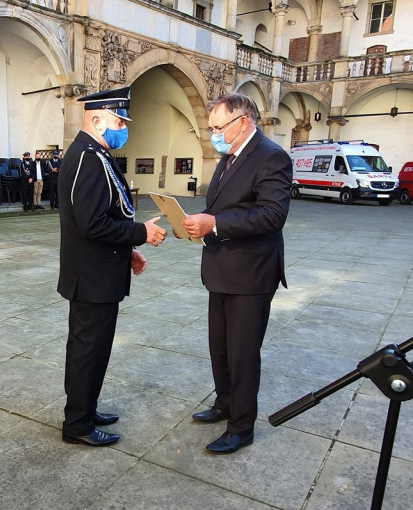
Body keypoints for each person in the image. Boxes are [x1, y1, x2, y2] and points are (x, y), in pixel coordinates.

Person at [181, 92, 292, 455]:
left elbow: (272, 214)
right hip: (221, 269)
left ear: (242, 121)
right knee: (221, 348)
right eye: (211, 127)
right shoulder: (229, 157)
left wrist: (216, 223)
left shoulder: (271, 157)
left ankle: (241, 426)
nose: (213, 133)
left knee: (243, 353)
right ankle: (224, 403)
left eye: (218, 127)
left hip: (251, 273)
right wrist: (203, 224)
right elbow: (225, 205)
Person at [57, 86, 167, 447]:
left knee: (95, 349)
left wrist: (127, 249)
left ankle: (85, 408)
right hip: (91, 278)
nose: (123, 127)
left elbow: (104, 215)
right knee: (88, 350)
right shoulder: (88, 158)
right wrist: (140, 234)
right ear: (97, 118)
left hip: (99, 271)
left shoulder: (94, 154)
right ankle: (77, 424)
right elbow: (91, 224)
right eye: (120, 120)